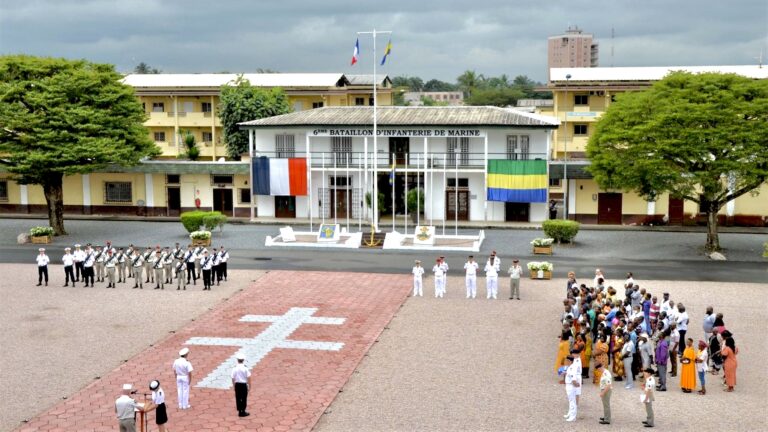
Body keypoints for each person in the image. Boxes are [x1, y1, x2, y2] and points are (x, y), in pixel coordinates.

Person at [563, 355, 581, 422]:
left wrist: (575, 384)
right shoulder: (570, 367)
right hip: (568, 385)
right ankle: (570, 413)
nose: (566, 361)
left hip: (571, 385)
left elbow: (573, 379)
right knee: (570, 401)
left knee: (572, 401)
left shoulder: (573, 367)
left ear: (569, 361)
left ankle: (573, 416)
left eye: (567, 360)